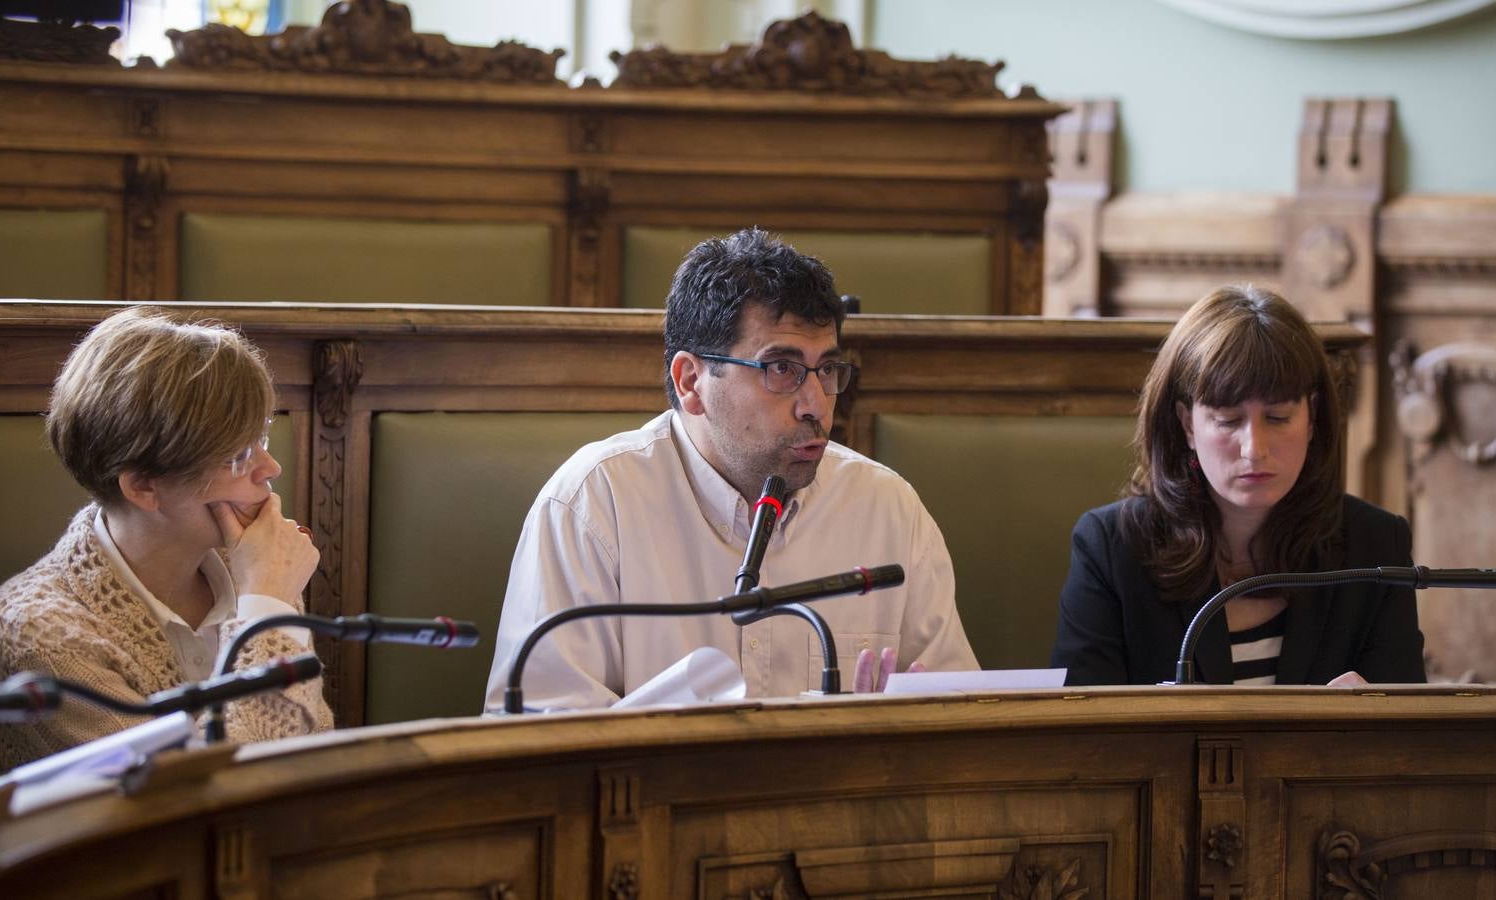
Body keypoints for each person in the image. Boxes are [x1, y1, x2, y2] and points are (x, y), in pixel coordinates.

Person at [486, 228, 977, 710]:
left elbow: (961, 717)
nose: (816, 405)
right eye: (781, 368)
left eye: (827, 370)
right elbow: (536, 740)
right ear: (692, 381)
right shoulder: (593, 505)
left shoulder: (888, 508)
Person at [0, 308, 333, 774]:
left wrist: (267, 598)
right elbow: (204, 799)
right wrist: (266, 606)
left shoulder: (253, 564)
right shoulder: (34, 634)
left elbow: (314, 754)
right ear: (143, 486)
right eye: (237, 455)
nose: (270, 469)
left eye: (261, 436)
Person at [1051, 285, 1425, 686]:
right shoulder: (1111, 548)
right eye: (1228, 421)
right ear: (1186, 423)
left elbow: (1405, 738)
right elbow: (1083, 736)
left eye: (1278, 417)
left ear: (1312, 417)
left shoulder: (1375, 545)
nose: (1254, 449)